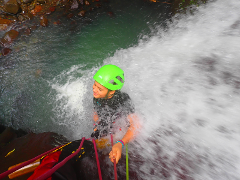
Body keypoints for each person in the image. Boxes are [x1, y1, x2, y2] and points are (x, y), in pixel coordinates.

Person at [91, 64, 139, 164]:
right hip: (105, 125)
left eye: (99, 89)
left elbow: (136, 125)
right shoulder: (97, 96)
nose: (94, 89)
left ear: (112, 91)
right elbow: (96, 112)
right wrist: (97, 123)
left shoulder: (123, 100)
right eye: (95, 84)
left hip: (120, 130)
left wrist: (120, 143)